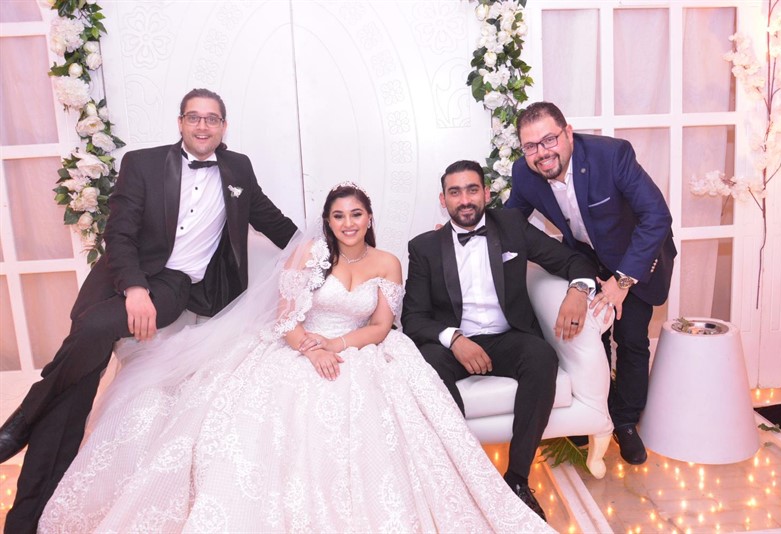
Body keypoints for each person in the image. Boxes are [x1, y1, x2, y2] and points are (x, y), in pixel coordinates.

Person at [37, 183, 554, 533]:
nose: (348, 223)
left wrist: (339, 347)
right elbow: (287, 319)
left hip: (359, 347)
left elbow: (381, 326)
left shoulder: (388, 262)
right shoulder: (310, 254)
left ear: (369, 218)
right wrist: (311, 349)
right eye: (339, 216)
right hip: (298, 346)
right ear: (327, 221)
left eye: (356, 214)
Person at [0, 88, 298, 532]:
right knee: (71, 398)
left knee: (94, 330)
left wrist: (333, 253)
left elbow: (275, 223)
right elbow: (118, 234)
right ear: (180, 123)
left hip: (174, 287)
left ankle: (22, 422)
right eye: (193, 117)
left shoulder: (238, 170)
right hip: (118, 279)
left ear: (223, 126)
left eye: (211, 119)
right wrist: (135, 288)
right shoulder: (142, 163)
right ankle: (25, 521)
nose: (202, 126)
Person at [401, 160, 598, 520]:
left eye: (472, 189)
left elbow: (572, 260)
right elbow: (413, 318)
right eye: (455, 192)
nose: (464, 199)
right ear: (443, 200)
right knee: (427, 366)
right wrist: (455, 339)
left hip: (508, 337)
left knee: (542, 357)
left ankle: (518, 479)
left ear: (486, 193)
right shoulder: (424, 247)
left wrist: (578, 290)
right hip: (454, 345)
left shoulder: (512, 226)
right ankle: (464, 479)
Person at [506, 101, 676, 465]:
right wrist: (466, 232)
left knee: (631, 339)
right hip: (587, 260)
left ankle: (625, 422)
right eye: (530, 146)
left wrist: (622, 281)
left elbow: (656, 216)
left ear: (568, 133)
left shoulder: (611, 156)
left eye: (549, 139)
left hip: (636, 256)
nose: (541, 153)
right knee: (592, 340)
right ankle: (597, 413)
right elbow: (510, 222)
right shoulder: (524, 173)